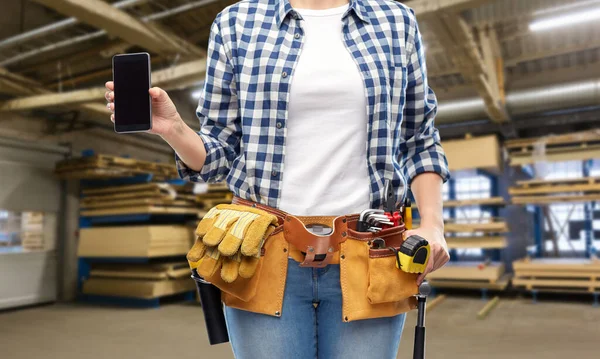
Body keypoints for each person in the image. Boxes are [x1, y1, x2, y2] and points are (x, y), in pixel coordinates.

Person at [105, 0, 450, 357]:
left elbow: (418, 138)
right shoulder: (237, 22)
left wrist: (433, 225)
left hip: (370, 254)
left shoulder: (396, 20)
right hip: (263, 253)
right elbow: (219, 153)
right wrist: (175, 130)